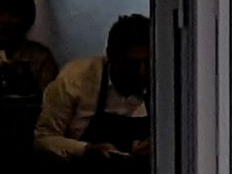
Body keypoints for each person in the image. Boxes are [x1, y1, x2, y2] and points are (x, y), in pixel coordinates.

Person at [34, 15, 155, 161]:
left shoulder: (167, 83)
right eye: (131, 64)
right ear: (110, 55)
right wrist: (86, 150)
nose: (142, 72)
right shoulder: (76, 79)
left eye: (148, 62)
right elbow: (44, 139)